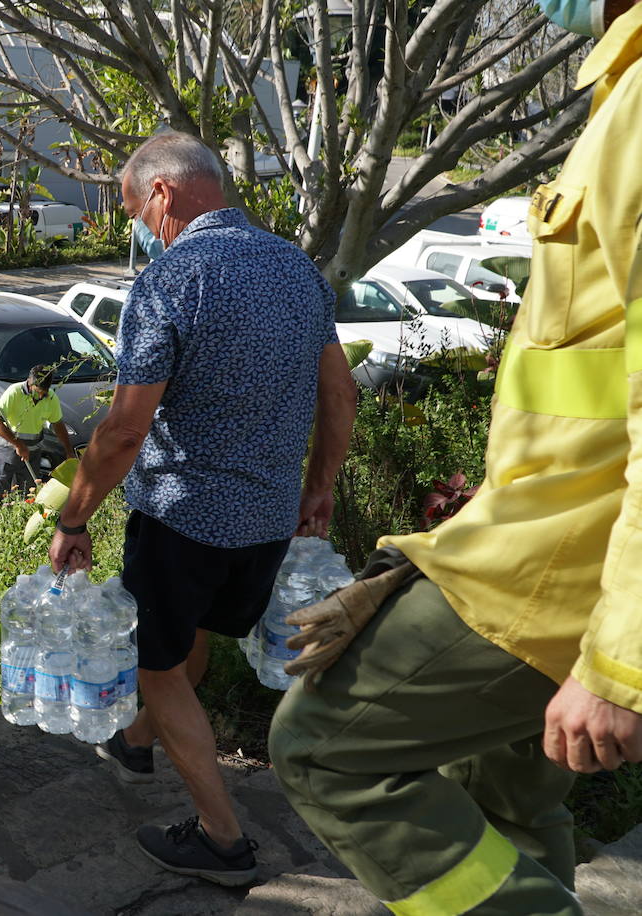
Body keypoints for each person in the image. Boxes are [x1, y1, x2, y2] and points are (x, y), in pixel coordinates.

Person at [269, 2, 642, 912]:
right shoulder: (622, 82)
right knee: (508, 800)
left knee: (322, 747)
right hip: (547, 550)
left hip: (561, 582)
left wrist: (623, 661)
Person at [48, 131, 357, 886]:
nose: (140, 229)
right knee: (188, 636)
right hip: (267, 519)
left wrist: (74, 517)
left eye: (134, 210)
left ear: (162, 194)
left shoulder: (169, 281)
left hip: (183, 518)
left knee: (158, 664)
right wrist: (319, 486)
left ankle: (222, 839)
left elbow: (123, 430)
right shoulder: (298, 270)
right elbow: (340, 393)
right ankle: (134, 744)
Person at [0, 364, 74, 498]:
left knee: (29, 496)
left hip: (32, 454)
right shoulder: (14, 392)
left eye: (43, 393)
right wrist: (18, 444)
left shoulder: (50, 398)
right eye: (37, 391)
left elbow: (58, 425)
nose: (40, 396)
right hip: (6, 451)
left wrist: (69, 451)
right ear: (30, 382)